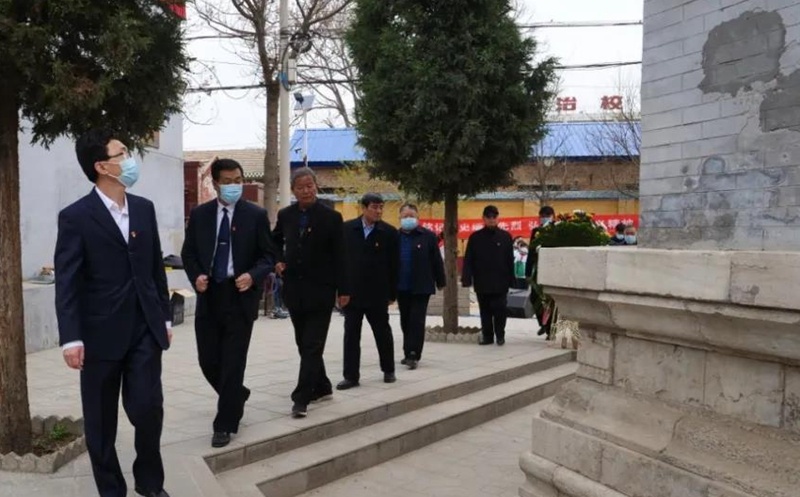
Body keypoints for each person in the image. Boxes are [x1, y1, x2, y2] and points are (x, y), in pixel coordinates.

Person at [55, 129, 172, 497]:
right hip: (99, 335)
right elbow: (68, 282)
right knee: (101, 423)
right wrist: (71, 338)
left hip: (144, 329)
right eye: (122, 153)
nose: (130, 159)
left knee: (148, 408)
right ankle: (111, 490)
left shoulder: (144, 208)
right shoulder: (75, 217)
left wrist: (165, 316)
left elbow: (154, 268)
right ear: (102, 166)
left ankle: (150, 484)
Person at [181, 158, 274, 448]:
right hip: (210, 294)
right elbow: (188, 253)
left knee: (233, 362)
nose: (234, 186)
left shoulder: (255, 215)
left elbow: (269, 256)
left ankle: (225, 424)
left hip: (240, 295)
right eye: (227, 181)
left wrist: (253, 275)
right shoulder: (200, 215)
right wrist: (196, 276)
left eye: (238, 180)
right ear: (215, 183)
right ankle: (237, 394)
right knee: (208, 360)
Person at [272, 167, 349, 418]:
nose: (306, 191)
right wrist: (278, 260)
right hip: (294, 290)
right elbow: (274, 241)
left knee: (312, 344)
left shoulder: (331, 217)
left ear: (316, 186)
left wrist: (344, 290)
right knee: (303, 342)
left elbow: (341, 256)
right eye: (300, 187)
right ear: (293, 190)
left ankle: (302, 397)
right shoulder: (286, 215)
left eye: (310, 186)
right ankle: (322, 385)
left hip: (321, 290)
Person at [337, 193, 399, 390]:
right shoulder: (347, 229)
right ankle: (351, 376)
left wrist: (392, 294)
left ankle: (388, 369)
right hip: (352, 293)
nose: (378, 211)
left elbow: (394, 266)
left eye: (381, 207)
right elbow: (340, 262)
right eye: (374, 207)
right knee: (351, 335)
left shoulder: (389, 232)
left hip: (377, 293)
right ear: (363, 208)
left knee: (382, 332)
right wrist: (341, 290)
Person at [396, 204, 445, 369]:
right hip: (401, 286)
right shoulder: (395, 237)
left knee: (417, 320)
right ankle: (407, 351)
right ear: (399, 218)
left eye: (411, 216)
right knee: (405, 320)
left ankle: (413, 353)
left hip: (421, 286)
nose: (408, 219)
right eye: (405, 216)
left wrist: (441, 281)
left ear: (417, 217)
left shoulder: (428, 236)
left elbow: (436, 260)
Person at [461, 205, 515, 346]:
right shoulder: (475, 238)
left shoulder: (506, 237)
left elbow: (510, 260)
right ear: (483, 218)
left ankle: (500, 335)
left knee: (500, 310)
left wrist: (512, 279)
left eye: (494, 217)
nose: (491, 219)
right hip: (482, 280)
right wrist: (466, 278)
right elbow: (469, 259)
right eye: (488, 217)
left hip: (501, 281)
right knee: (485, 311)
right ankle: (487, 336)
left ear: (498, 218)